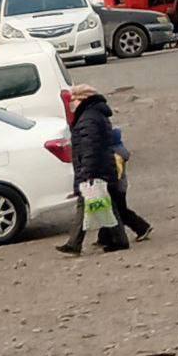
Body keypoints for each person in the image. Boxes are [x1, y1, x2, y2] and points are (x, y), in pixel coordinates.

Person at [57, 84, 128, 257]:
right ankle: (116, 240)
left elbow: (89, 148)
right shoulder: (93, 115)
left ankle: (75, 244)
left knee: (91, 203)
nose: (71, 103)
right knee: (106, 204)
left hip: (95, 170)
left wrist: (86, 174)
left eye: (74, 99)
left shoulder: (87, 118)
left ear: (82, 99)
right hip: (100, 168)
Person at [103, 126, 152, 244]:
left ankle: (142, 227)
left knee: (119, 212)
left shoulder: (115, 155)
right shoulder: (119, 151)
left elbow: (116, 173)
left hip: (117, 187)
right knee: (111, 211)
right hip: (120, 186)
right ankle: (104, 237)